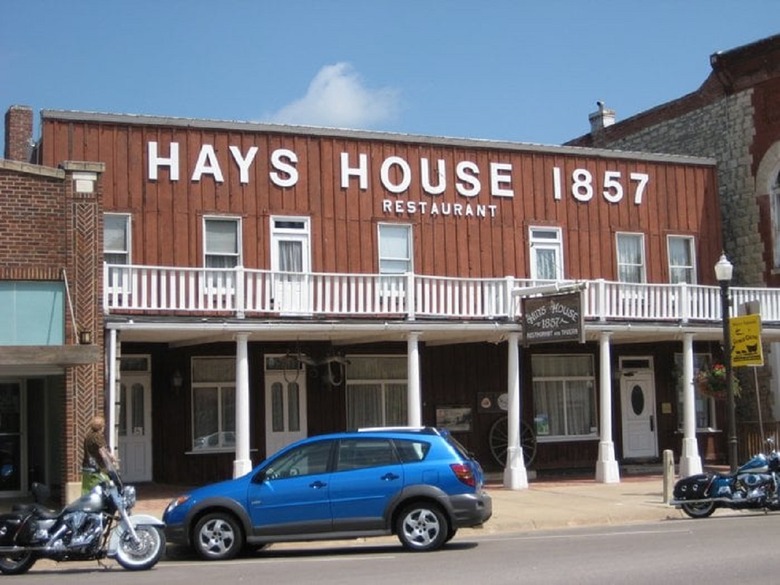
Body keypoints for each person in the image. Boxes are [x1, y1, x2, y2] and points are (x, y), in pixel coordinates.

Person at [81, 415, 116, 494]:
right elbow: (102, 450)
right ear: (101, 426)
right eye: (103, 425)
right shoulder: (98, 436)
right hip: (96, 468)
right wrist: (110, 459)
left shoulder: (88, 436)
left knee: (86, 491)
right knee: (107, 485)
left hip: (86, 467)